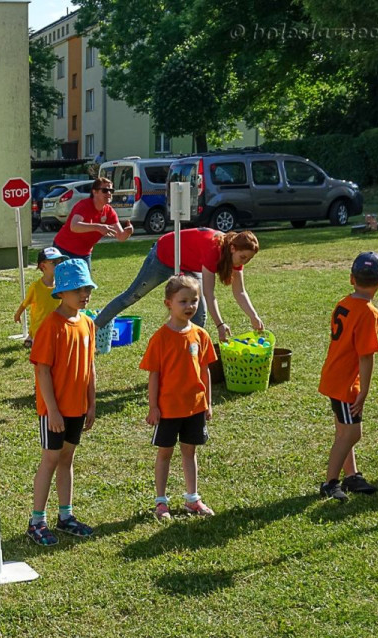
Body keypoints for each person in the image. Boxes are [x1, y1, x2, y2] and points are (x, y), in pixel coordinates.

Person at [26, 258, 98, 546]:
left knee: (67, 459)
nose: (84, 294)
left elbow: (90, 365)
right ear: (62, 292)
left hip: (77, 408)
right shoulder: (50, 327)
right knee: (50, 459)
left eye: (87, 288)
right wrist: (53, 411)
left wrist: (91, 403)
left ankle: (65, 515)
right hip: (54, 411)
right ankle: (36, 521)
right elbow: (42, 370)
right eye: (78, 289)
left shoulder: (88, 323)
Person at [94, 228, 263, 342]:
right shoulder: (214, 249)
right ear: (233, 248)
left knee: (198, 311)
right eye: (243, 257)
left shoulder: (235, 257)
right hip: (164, 256)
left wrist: (254, 316)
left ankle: (189, 349)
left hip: (188, 264)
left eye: (248, 259)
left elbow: (240, 292)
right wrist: (220, 324)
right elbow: (210, 293)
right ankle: (92, 328)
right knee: (131, 296)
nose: (245, 262)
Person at [140, 275, 218, 521]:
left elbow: (205, 370)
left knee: (189, 451)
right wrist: (153, 407)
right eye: (183, 301)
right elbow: (154, 375)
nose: (189, 306)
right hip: (168, 409)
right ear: (168, 304)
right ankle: (161, 502)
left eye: (194, 301)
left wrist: (208, 401)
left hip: (194, 407)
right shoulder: (160, 338)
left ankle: (192, 499)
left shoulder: (200, 335)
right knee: (165, 453)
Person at [318, 252, 378, 502]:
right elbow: (365, 356)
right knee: (351, 434)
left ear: (351, 279)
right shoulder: (369, 313)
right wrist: (364, 390)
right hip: (346, 383)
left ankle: (351, 475)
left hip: (334, 375)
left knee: (343, 430)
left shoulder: (343, 303)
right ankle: (330, 483)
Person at [51, 176, 133, 260]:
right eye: (105, 190)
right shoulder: (84, 205)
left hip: (84, 253)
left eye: (111, 191)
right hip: (64, 249)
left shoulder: (109, 212)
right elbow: (74, 226)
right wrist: (98, 227)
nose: (109, 193)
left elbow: (121, 237)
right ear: (95, 192)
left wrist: (128, 232)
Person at [14, 246, 65, 348]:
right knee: (44, 346)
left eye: (60, 262)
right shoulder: (36, 287)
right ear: (43, 266)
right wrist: (18, 314)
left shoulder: (62, 285)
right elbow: (25, 303)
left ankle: (31, 338)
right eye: (54, 263)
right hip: (39, 326)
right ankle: (31, 337)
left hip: (56, 325)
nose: (58, 265)